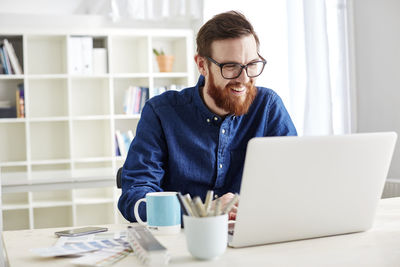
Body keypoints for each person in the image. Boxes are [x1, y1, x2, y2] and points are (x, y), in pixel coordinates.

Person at [118, 11, 297, 222]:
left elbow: (294, 181)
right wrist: (200, 212)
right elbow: (135, 199)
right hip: (183, 241)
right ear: (202, 65)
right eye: (230, 66)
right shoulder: (160, 113)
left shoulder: (268, 106)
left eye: (251, 65)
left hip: (253, 237)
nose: (244, 78)